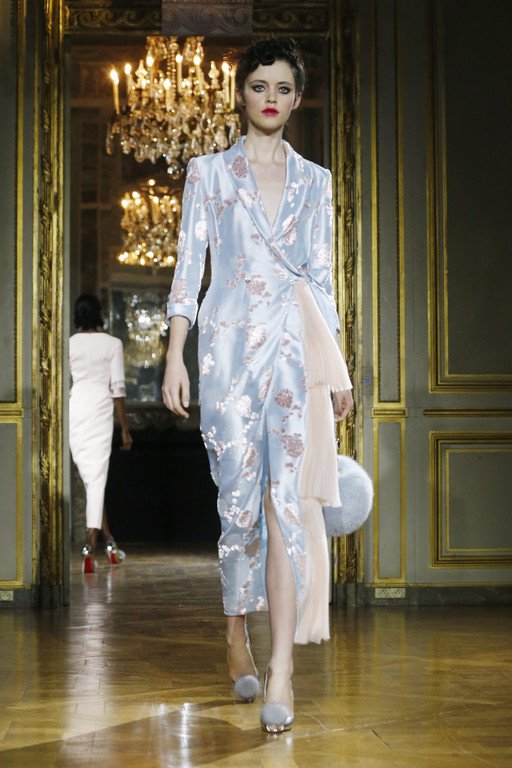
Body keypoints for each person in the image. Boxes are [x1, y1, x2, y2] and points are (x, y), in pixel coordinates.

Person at [162, 37, 353, 733]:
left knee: (284, 508)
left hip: (295, 356)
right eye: (259, 85)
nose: (270, 97)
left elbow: (322, 280)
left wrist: (337, 368)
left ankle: (282, 672)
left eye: (283, 88)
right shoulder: (209, 174)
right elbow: (189, 269)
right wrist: (175, 355)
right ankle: (234, 631)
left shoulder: (316, 182)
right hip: (229, 357)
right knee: (238, 507)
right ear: (240, 93)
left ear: (297, 100)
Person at [69, 294, 133, 573]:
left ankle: (109, 545)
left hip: (76, 408)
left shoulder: (69, 343)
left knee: (93, 481)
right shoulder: (112, 344)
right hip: (99, 409)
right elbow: (117, 390)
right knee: (96, 480)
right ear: (99, 313)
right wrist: (125, 428)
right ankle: (90, 544)